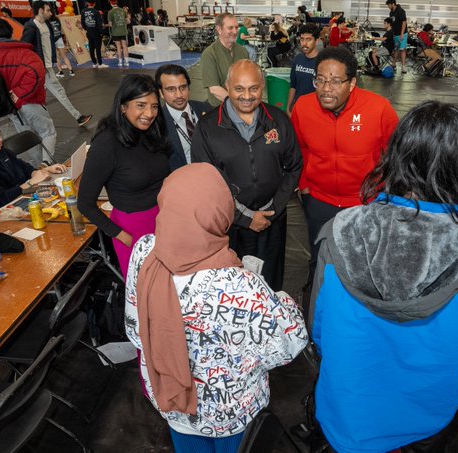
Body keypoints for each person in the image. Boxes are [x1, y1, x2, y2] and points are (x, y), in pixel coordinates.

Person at [310, 100, 458, 453]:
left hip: (345, 417)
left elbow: (320, 330)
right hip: (424, 424)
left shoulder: (339, 232)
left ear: (396, 154)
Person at [124, 163, 307, 453]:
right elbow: (288, 346)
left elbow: (136, 333)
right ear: (221, 213)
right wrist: (284, 300)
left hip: (174, 406)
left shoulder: (144, 252)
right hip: (232, 415)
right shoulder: (240, 284)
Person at [191, 60, 303, 290]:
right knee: (233, 286)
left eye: (254, 88)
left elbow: (294, 167)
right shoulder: (207, 127)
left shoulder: (279, 120)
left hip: (272, 222)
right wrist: (245, 217)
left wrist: (273, 209)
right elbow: (206, 183)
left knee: (271, 283)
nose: (247, 96)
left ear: (263, 86)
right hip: (230, 225)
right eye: (239, 89)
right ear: (227, 87)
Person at [291, 47, 399, 282]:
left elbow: (397, 155)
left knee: (364, 267)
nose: (326, 89)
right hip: (319, 202)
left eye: (336, 81)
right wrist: (305, 185)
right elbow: (300, 149)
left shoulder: (378, 109)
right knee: (320, 261)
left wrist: (383, 193)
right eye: (320, 80)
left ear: (352, 84)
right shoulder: (303, 107)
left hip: (365, 204)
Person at [78, 74, 171, 278]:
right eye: (141, 105)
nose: (149, 113)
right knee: (146, 298)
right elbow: (84, 203)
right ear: (122, 106)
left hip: (164, 223)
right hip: (133, 231)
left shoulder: (151, 131)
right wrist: (122, 236)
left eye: (154, 106)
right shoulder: (106, 144)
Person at [0, 18, 56, 165]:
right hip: (30, 102)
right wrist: (18, 93)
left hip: (9, 108)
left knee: (27, 136)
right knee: (48, 132)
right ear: (11, 32)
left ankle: (40, 167)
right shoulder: (24, 53)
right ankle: (46, 164)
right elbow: (36, 74)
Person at [0, 113, 67, 212]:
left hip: (25, 197)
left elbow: (22, 167)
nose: (0, 140)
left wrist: (43, 171)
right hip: (5, 213)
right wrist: (30, 183)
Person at [23, 2, 93, 127]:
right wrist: (34, 66)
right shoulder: (31, 27)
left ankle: (77, 117)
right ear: (40, 10)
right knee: (40, 98)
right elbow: (24, 49)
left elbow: (50, 43)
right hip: (37, 70)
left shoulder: (47, 24)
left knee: (57, 92)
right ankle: (69, 119)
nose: (51, 13)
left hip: (48, 67)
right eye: (48, 10)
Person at [155, 64, 210, 171]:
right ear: (161, 93)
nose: (179, 95)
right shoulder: (157, 124)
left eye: (183, 87)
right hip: (181, 182)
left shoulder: (207, 110)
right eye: (171, 89)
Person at [200, 12, 248, 107]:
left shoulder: (243, 51)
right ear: (219, 29)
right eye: (230, 28)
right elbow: (214, 89)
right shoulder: (209, 54)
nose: (235, 32)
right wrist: (238, 103)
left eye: (236, 27)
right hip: (220, 107)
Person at [288, 24, 319, 113]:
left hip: (314, 110)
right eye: (302, 39)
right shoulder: (298, 59)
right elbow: (293, 86)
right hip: (298, 107)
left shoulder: (322, 62)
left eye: (308, 39)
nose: (304, 44)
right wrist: (289, 108)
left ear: (316, 41)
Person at [79, 0, 106, 68]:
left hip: (89, 32)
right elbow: (99, 23)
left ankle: (94, 63)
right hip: (96, 32)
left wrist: (87, 29)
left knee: (91, 48)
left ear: (88, 3)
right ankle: (100, 63)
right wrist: (101, 32)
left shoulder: (83, 11)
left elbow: (82, 23)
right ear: (94, 4)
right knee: (98, 48)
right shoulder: (96, 11)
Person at [49, 10, 75, 77]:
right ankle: (71, 71)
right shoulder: (57, 19)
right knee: (64, 56)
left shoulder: (47, 21)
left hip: (53, 40)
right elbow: (59, 28)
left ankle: (61, 72)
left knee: (57, 57)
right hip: (59, 38)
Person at [386, 0, 407, 73]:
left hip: (402, 34)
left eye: (389, 5)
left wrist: (402, 33)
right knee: (396, 50)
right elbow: (392, 23)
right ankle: (394, 64)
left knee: (402, 50)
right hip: (395, 34)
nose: (388, 7)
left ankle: (403, 67)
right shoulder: (391, 12)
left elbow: (404, 22)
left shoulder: (401, 11)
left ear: (393, 4)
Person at [108, 0, 129, 67]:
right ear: (117, 3)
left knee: (118, 47)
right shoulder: (123, 10)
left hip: (115, 32)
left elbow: (110, 24)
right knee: (125, 46)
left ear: (111, 3)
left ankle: (120, 62)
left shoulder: (110, 12)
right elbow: (128, 21)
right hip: (123, 31)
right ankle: (127, 62)